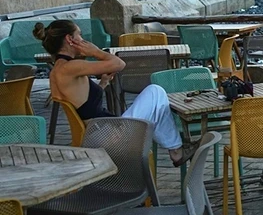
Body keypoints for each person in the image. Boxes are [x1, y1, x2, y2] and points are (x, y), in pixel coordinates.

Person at [35, 20, 196, 166]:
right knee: (156, 92)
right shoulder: (71, 67)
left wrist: (103, 83)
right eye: (80, 35)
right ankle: (176, 151)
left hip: (97, 134)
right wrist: (95, 52)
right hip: (110, 137)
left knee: (157, 107)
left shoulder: (57, 71)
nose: (83, 40)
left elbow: (83, 105)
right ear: (70, 39)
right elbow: (119, 64)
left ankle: (176, 150)